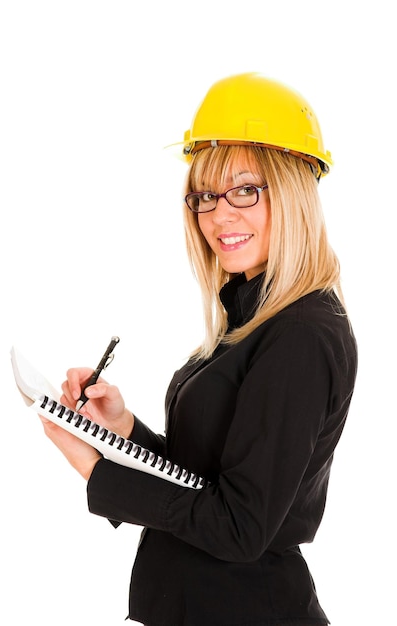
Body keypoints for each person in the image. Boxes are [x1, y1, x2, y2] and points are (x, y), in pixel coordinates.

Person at [39, 72, 358, 625]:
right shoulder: (253, 317)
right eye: (206, 195)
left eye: (244, 189)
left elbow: (239, 527)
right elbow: (208, 480)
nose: (219, 214)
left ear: (293, 192)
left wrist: (99, 473)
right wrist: (123, 430)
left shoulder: (301, 335)